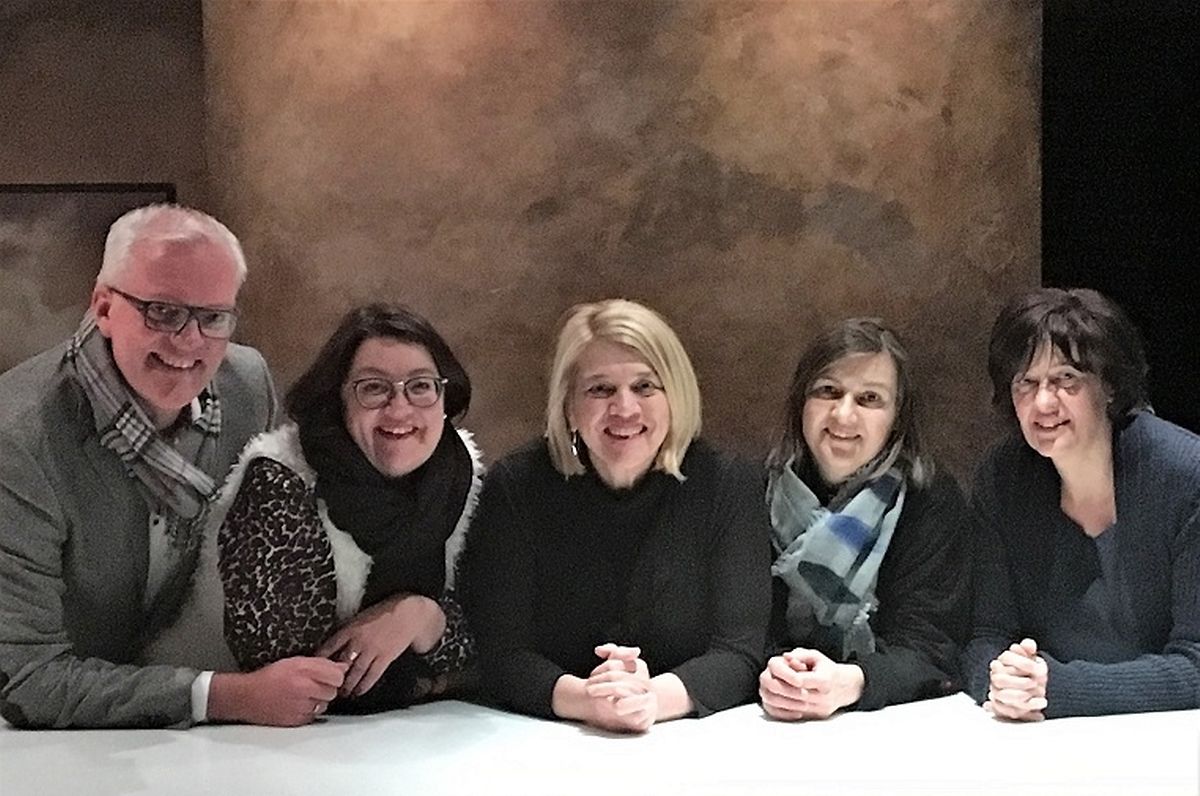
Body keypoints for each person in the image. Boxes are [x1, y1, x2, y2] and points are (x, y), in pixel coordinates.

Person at [0, 204, 348, 729]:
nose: (189, 341)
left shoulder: (247, 386)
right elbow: (27, 679)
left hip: (206, 734)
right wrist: (224, 696)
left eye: (213, 317)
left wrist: (413, 612)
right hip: (54, 742)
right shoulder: (18, 441)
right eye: (162, 312)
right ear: (103, 307)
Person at [143, 303, 483, 712]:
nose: (399, 409)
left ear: (445, 398)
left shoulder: (460, 476)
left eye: (420, 386)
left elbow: (493, 641)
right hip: (225, 728)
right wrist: (435, 667)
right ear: (338, 400)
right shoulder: (280, 484)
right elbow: (308, 678)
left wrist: (419, 615)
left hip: (388, 733)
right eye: (373, 388)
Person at [463, 299, 772, 733]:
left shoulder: (729, 485)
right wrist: (588, 701)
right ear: (569, 405)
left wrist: (649, 701)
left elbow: (740, 651)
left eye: (645, 386)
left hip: (690, 739)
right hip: (544, 738)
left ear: (675, 396)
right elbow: (500, 652)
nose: (625, 409)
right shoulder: (517, 485)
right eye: (600, 389)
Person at [963, 287, 1200, 720]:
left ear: (1108, 385)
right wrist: (1001, 681)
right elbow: (986, 636)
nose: (1043, 402)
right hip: (1041, 735)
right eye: (1026, 382)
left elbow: (1196, 664)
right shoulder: (1001, 478)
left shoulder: (1186, 475)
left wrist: (1059, 689)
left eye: (1066, 379)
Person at [758, 318, 969, 720]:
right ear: (801, 402)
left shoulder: (930, 499)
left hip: (888, 723)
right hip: (773, 716)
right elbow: (741, 636)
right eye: (828, 391)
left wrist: (849, 683)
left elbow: (932, 648)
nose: (843, 415)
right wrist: (780, 675)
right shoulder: (756, 494)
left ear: (897, 417)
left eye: (869, 399)